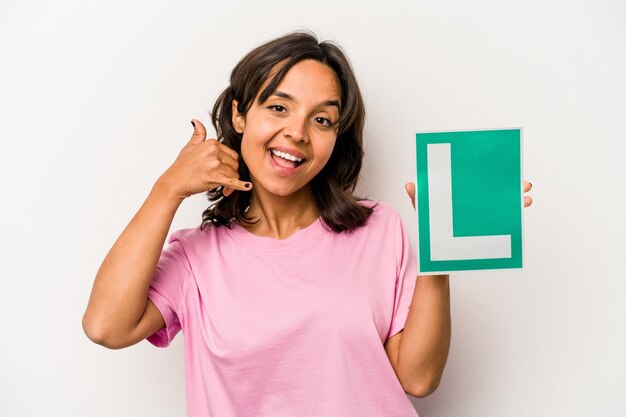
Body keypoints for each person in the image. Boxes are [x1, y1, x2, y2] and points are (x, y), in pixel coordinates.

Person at [82, 31, 533, 416]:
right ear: (240, 115)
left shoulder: (380, 228)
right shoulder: (196, 257)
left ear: (336, 139)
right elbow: (106, 326)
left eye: (321, 119)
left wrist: (440, 244)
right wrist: (168, 189)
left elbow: (418, 378)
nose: (297, 132)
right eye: (279, 108)